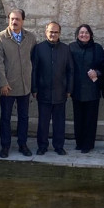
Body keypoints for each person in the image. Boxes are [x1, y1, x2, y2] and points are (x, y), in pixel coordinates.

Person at [0, 9, 37, 158]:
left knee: (23, 117)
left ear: (22, 20)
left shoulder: (30, 37)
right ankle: (5, 146)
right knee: (5, 117)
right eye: (12, 19)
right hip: (8, 86)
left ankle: (22, 144)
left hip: (25, 85)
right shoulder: (0, 38)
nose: (14, 22)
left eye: (17, 19)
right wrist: (2, 83)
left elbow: (32, 59)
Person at [31, 21, 73, 155]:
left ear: (59, 33)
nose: (53, 34)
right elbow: (34, 70)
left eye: (56, 32)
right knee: (43, 122)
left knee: (59, 122)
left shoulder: (66, 49)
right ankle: (42, 146)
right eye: (51, 32)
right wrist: (34, 88)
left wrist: (69, 89)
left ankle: (58, 146)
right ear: (46, 32)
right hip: (43, 91)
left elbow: (70, 70)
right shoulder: (38, 48)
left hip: (61, 91)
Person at [69, 24, 104, 154]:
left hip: (92, 89)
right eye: (81, 32)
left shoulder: (97, 48)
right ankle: (79, 142)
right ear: (77, 34)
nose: (84, 35)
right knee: (78, 118)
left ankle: (88, 144)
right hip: (77, 89)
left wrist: (97, 73)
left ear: (91, 35)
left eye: (86, 33)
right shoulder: (71, 47)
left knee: (90, 118)